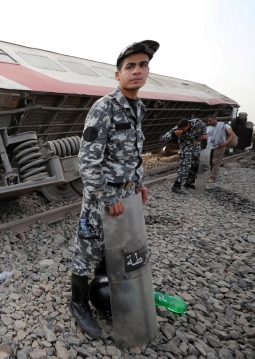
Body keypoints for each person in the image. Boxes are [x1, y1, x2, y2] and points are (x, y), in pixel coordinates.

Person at [70, 40, 157, 338]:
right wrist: (108, 197)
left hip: (127, 196)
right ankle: (78, 305)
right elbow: (88, 162)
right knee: (88, 251)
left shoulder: (137, 108)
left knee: (115, 250)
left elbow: (133, 153)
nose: (137, 70)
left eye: (142, 65)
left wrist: (139, 184)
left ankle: (107, 293)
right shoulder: (104, 108)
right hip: (101, 198)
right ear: (117, 74)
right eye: (130, 66)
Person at [159, 118, 207, 194]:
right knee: (185, 166)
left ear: (188, 125)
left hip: (196, 146)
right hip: (186, 147)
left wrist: (204, 134)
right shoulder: (176, 129)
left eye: (182, 129)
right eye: (179, 128)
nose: (181, 130)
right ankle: (176, 186)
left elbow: (203, 126)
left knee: (195, 164)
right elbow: (162, 138)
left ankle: (189, 183)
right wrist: (175, 134)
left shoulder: (197, 122)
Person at [205, 116, 235, 183]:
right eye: (207, 121)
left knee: (216, 162)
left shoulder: (224, 125)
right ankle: (211, 175)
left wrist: (225, 143)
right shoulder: (208, 128)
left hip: (219, 146)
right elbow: (207, 136)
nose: (208, 122)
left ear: (215, 119)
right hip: (209, 147)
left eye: (210, 121)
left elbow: (231, 135)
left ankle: (212, 177)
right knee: (210, 162)